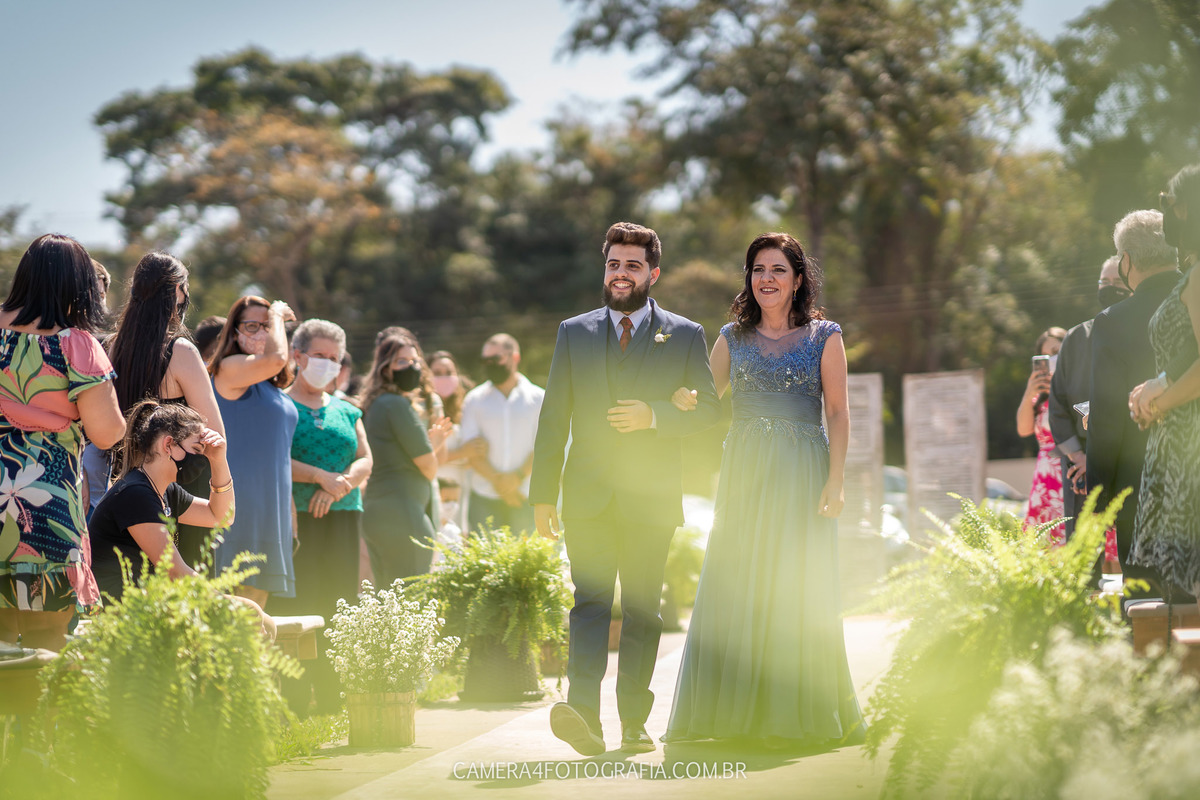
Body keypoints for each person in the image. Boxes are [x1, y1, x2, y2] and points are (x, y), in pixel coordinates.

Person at [660, 232, 865, 747]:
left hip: (803, 470)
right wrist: (682, 398)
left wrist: (836, 481)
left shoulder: (826, 335)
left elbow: (838, 413)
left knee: (797, 583)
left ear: (798, 280)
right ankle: (731, 715)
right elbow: (706, 402)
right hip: (745, 472)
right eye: (757, 270)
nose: (766, 279)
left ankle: (796, 714)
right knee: (738, 581)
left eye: (777, 270)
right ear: (748, 280)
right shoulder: (731, 337)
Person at [531, 221, 719, 756]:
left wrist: (655, 415)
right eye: (614, 264)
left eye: (632, 265)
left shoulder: (683, 334)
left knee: (641, 609)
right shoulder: (574, 332)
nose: (621, 273)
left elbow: (708, 409)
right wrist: (544, 495)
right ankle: (585, 719)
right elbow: (553, 418)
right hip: (587, 496)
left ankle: (634, 725)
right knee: (588, 603)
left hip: (651, 499)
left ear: (652, 273)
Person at [0, 234, 125, 650]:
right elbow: (108, 433)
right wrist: (59, 418)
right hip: (45, 502)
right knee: (43, 648)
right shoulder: (76, 344)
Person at [100, 252, 226, 565]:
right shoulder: (179, 350)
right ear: (178, 292)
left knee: (133, 581)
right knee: (187, 589)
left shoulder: (110, 347)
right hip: (181, 483)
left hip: (124, 481)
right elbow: (215, 434)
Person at [275, 319, 372, 713]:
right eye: (319, 356)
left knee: (339, 602)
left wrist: (341, 485)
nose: (327, 364)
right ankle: (297, 700)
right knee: (300, 602)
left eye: (334, 358)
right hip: (297, 517)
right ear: (297, 356)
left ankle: (333, 698)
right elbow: (275, 458)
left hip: (343, 516)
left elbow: (365, 459)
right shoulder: (279, 404)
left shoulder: (348, 410)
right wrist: (318, 477)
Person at [1087, 209, 1180, 596]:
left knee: (1151, 609)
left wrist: (1098, 501)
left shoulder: (1111, 322)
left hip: (1139, 488)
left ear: (1126, 262)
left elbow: (1107, 422)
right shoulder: (1193, 301)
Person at [1130, 164, 1200, 607]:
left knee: (1188, 594)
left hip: (1190, 446)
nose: (1168, 214)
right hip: (1179, 444)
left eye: (1170, 204)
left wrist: (1159, 400)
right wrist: (1158, 385)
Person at [89, 401, 234, 602]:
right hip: (120, 612)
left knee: (259, 619)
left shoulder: (166, 491)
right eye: (197, 450)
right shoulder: (135, 493)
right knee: (254, 617)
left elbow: (221, 516)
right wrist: (231, 605)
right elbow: (175, 571)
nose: (201, 459)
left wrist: (219, 460)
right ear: (168, 445)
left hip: (147, 604)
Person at [209, 296, 299, 608]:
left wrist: (290, 514)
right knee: (236, 605)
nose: (262, 332)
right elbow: (276, 358)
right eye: (252, 326)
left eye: (267, 326)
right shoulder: (228, 370)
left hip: (272, 509)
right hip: (239, 505)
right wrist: (276, 314)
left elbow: (281, 455)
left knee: (257, 607)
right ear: (233, 333)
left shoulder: (273, 388)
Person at [360, 330, 451, 584]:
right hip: (403, 517)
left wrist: (434, 445)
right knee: (411, 600)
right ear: (385, 368)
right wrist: (434, 443)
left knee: (388, 600)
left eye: (414, 362)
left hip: (379, 515)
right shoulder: (397, 405)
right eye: (402, 362)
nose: (411, 368)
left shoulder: (377, 404)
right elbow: (430, 469)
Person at [1048, 256, 1126, 547]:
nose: (1109, 287)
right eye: (1104, 282)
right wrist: (1080, 457)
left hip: (1131, 460)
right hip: (1081, 465)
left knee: (1138, 552)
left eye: (1117, 282)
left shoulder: (1142, 333)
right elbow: (1057, 408)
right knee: (1081, 556)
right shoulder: (1076, 338)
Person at [460, 334, 544, 535]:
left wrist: (517, 478)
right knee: (484, 566)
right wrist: (500, 482)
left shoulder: (539, 399)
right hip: (484, 498)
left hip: (527, 496)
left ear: (514, 358)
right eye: (485, 360)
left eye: (496, 359)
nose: (490, 364)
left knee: (528, 565)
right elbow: (471, 449)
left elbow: (546, 445)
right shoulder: (474, 400)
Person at [1017, 327, 1067, 543]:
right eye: (1045, 356)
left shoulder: (1078, 386)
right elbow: (1023, 429)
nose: (1051, 359)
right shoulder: (1039, 396)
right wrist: (1030, 391)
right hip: (1045, 482)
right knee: (1048, 551)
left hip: (1073, 473)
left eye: (1056, 351)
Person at [429, 349, 478, 533]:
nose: (444, 378)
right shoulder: (422, 410)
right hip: (434, 484)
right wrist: (462, 453)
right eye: (437, 374)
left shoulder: (467, 409)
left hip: (460, 488)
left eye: (449, 373)